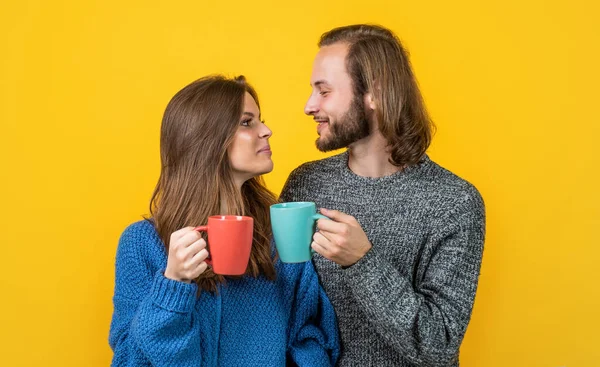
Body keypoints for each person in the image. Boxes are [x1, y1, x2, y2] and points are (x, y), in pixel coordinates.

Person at [280, 24, 486, 366]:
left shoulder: (454, 202)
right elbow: (285, 306)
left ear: (373, 93)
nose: (308, 105)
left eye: (324, 91)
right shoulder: (306, 184)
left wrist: (362, 261)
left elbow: (439, 346)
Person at [109, 75, 339, 366]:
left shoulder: (281, 234)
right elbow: (130, 360)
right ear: (206, 139)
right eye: (247, 122)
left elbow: (309, 335)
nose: (266, 131)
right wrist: (173, 285)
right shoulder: (142, 244)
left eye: (260, 120)